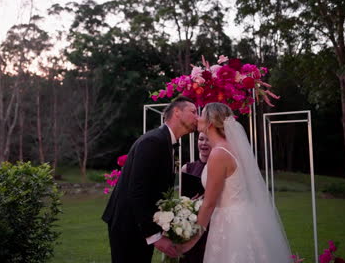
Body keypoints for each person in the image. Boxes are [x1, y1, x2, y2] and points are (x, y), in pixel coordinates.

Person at [181, 102, 291, 262]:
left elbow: (209, 204)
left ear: (210, 123)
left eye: (201, 114)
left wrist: (190, 241)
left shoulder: (218, 153)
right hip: (236, 217)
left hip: (230, 225)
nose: (197, 118)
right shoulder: (227, 148)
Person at [102, 96, 198, 263]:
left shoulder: (166, 142)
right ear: (177, 112)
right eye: (193, 112)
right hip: (128, 225)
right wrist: (154, 236)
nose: (197, 117)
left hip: (138, 224)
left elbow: (155, 190)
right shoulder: (154, 141)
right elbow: (137, 191)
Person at [179, 132, 211, 263]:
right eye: (201, 139)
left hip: (212, 226)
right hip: (191, 226)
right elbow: (181, 202)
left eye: (208, 140)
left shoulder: (219, 169)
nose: (203, 143)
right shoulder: (187, 168)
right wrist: (188, 203)